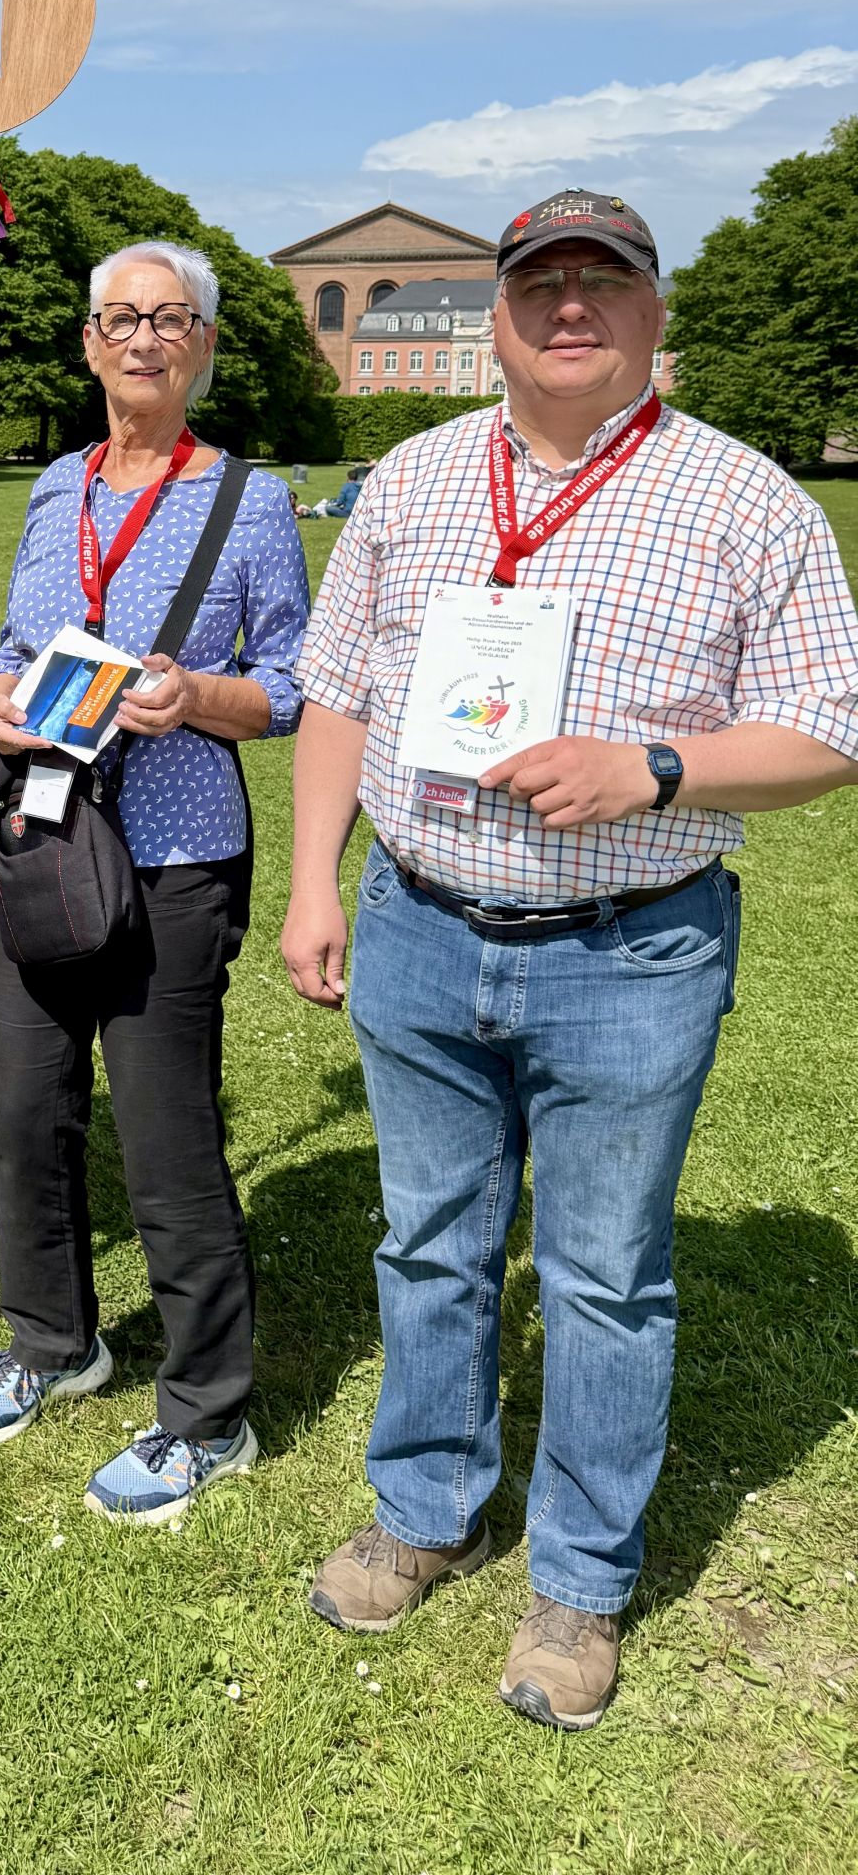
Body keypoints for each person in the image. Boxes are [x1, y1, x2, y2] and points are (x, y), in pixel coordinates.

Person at [282, 188, 858, 1731]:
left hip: (630, 953)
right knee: (429, 1242)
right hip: (417, 926)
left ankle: (582, 1580)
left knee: (604, 1275)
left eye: (606, 280)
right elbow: (337, 689)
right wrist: (315, 881)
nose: (572, 306)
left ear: (655, 313)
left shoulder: (746, 500)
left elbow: (827, 732)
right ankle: (424, 1511)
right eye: (542, 283)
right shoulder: (411, 479)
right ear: (499, 317)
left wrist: (653, 769)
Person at [0, 243, 311, 1522]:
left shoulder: (249, 499)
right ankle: (53, 1339)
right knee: (23, 1104)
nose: (143, 337)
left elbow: (295, 683)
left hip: (175, 855)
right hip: (45, 838)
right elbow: (11, 641)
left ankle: (208, 1410)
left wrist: (194, 695)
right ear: (90, 343)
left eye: (169, 317)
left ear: (202, 342)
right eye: (120, 318)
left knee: (165, 1135)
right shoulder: (58, 486)